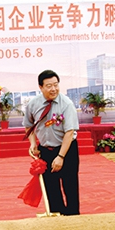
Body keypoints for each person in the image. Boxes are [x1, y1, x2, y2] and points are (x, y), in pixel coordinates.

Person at [23, 69, 80, 215]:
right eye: (49, 86)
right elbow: (28, 125)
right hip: (46, 150)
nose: (53, 89)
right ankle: (57, 216)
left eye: (56, 85)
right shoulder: (33, 104)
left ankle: (73, 216)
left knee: (70, 185)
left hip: (67, 149)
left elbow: (69, 132)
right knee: (51, 186)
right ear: (41, 87)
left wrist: (60, 156)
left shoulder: (66, 104)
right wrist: (33, 143)